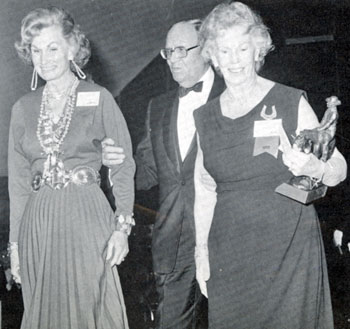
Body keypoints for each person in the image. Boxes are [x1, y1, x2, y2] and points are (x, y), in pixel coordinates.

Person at [192, 2, 347, 329]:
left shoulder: (288, 101)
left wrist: (312, 166)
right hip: (230, 254)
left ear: (257, 50)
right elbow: (204, 191)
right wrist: (201, 253)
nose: (234, 59)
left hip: (289, 250)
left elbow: (338, 169)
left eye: (242, 48)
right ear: (213, 57)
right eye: (225, 50)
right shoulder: (205, 118)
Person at [8, 7, 135, 329]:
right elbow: (19, 185)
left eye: (52, 47)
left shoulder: (99, 97)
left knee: (91, 310)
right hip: (39, 225)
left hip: (87, 219)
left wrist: (122, 228)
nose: (44, 58)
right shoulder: (22, 108)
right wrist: (16, 247)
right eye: (36, 50)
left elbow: (123, 164)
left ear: (71, 48)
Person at [103, 20, 225, 328]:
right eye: (168, 52)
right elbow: (145, 173)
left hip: (228, 237)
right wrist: (116, 166)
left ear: (207, 51)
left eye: (181, 50)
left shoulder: (233, 95)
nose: (172, 59)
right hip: (174, 243)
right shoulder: (157, 107)